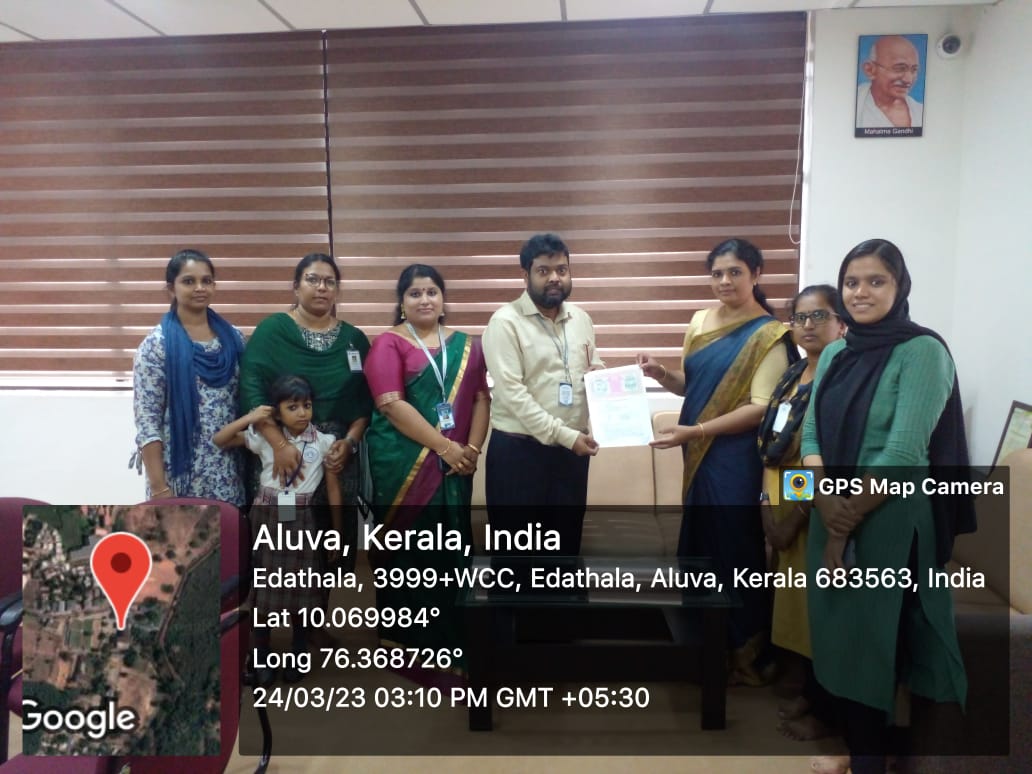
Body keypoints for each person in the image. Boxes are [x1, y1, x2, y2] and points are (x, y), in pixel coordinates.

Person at [801, 239, 972, 774]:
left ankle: (870, 761)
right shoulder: (837, 352)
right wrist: (822, 501)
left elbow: (903, 453)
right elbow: (811, 435)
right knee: (837, 636)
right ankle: (857, 752)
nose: (861, 292)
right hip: (830, 509)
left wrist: (840, 526)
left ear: (900, 287)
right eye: (851, 282)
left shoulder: (923, 351)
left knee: (875, 642)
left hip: (887, 520)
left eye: (876, 281)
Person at [639, 237, 795, 684]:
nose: (725, 281)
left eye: (735, 272)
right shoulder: (700, 321)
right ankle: (704, 648)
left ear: (756, 275)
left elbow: (761, 408)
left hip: (736, 459)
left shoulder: (769, 335)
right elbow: (692, 385)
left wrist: (697, 431)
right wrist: (661, 374)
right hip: (698, 455)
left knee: (735, 549)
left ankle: (745, 653)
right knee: (701, 546)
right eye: (717, 273)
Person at [363, 264, 489, 687]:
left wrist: (472, 450)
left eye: (432, 291)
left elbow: (481, 399)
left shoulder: (468, 346)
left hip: (456, 466)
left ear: (443, 299)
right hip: (403, 465)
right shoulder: (388, 343)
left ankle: (456, 641)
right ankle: (409, 646)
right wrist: (446, 447)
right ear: (401, 302)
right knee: (412, 554)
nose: (424, 299)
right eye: (414, 293)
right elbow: (391, 406)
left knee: (452, 550)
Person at [239, 253, 372, 570]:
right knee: (282, 547)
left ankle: (322, 602)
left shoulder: (354, 339)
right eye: (313, 279)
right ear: (296, 287)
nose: (322, 287)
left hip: (336, 456)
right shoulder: (272, 331)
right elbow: (251, 392)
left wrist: (349, 443)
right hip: (281, 452)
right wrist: (280, 444)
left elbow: (366, 402)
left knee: (330, 545)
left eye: (330, 282)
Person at [756, 285, 845, 741]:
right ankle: (804, 688)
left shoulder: (840, 380)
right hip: (778, 497)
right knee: (789, 604)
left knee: (813, 608)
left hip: (811, 505)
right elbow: (771, 447)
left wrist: (796, 515)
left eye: (819, 316)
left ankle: (819, 701)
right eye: (800, 317)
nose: (808, 326)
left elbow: (820, 455)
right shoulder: (792, 374)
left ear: (841, 324)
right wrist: (767, 505)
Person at [482, 233, 603, 555]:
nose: (554, 278)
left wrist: (599, 377)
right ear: (526, 275)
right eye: (544, 270)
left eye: (562, 270)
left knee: (565, 551)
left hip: (571, 455)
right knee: (517, 557)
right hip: (519, 455)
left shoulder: (581, 319)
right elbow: (513, 394)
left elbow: (593, 363)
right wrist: (566, 436)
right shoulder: (504, 322)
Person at [214, 374, 340, 686]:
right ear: (277, 412)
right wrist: (251, 418)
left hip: (302, 519)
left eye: (306, 405)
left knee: (302, 594)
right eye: (292, 407)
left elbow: (334, 490)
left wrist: (337, 533)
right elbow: (220, 439)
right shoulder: (265, 439)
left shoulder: (324, 442)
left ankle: (298, 653)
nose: (302, 412)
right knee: (263, 593)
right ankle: (261, 656)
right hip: (266, 517)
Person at [132, 248, 246, 505]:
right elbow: (148, 423)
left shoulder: (234, 339)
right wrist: (159, 489)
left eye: (206, 281)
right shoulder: (156, 346)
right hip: (178, 477)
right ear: (171, 289)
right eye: (188, 281)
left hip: (228, 472)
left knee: (231, 532)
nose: (199, 288)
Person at [856, 35, 923, 129]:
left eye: (914, 70)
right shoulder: (854, 103)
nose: (908, 79)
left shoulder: (919, 111)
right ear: (870, 70)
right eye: (899, 68)